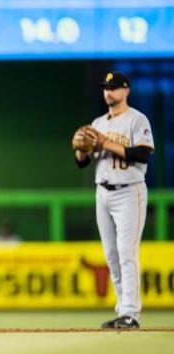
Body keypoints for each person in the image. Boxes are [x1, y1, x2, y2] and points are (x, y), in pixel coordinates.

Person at [72, 72, 154, 329]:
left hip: (130, 191)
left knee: (126, 252)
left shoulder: (137, 119)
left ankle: (131, 313)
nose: (109, 92)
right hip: (103, 191)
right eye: (106, 87)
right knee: (111, 255)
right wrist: (80, 148)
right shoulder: (98, 122)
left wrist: (106, 143)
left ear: (126, 91)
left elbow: (142, 154)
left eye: (114, 87)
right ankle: (122, 311)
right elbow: (82, 163)